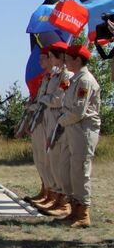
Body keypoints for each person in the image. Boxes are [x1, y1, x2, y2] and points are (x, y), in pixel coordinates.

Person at [56, 45, 99, 227]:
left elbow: (79, 111)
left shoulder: (85, 81)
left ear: (78, 60)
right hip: (72, 129)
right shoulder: (74, 80)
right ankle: (73, 208)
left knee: (80, 171)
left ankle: (83, 213)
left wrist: (61, 120)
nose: (65, 61)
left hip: (83, 130)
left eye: (68, 58)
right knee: (68, 170)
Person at [34, 42, 74, 214]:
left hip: (59, 118)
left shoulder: (66, 76)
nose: (49, 60)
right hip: (50, 117)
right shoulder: (55, 76)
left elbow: (57, 99)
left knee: (60, 162)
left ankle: (63, 200)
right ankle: (56, 196)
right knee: (52, 160)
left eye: (50, 56)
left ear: (60, 56)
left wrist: (44, 99)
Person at [23, 48, 53, 206]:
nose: (40, 62)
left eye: (43, 59)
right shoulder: (45, 79)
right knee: (40, 158)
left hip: (49, 121)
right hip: (40, 121)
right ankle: (46, 190)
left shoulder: (57, 78)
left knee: (49, 159)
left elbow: (52, 100)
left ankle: (53, 194)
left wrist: (37, 104)